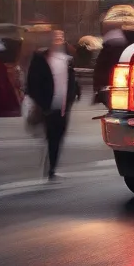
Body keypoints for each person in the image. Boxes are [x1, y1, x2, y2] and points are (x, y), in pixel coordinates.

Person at [27, 30, 80, 180]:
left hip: (63, 107)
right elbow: (32, 82)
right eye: (56, 37)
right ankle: (50, 167)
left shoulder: (66, 59)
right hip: (47, 106)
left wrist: (73, 95)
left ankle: (52, 166)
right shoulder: (40, 59)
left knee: (58, 136)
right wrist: (40, 102)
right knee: (51, 136)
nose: (58, 39)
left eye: (61, 37)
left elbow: (71, 80)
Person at [92, 21, 128, 108]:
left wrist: (97, 87)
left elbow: (99, 68)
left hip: (108, 84)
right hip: (122, 84)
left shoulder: (107, 48)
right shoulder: (126, 47)